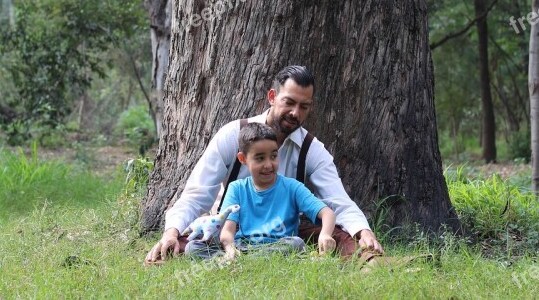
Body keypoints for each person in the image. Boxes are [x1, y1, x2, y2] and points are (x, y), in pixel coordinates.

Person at [145, 65, 384, 264]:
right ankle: (168, 256)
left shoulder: (311, 148)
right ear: (272, 97)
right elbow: (197, 195)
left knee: (341, 236)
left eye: (304, 106)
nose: (295, 113)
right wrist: (171, 231)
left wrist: (362, 230)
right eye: (289, 102)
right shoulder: (233, 135)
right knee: (186, 244)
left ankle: (370, 261)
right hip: (231, 229)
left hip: (283, 233)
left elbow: (336, 200)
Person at [185, 124, 337, 260]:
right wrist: (230, 249)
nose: (268, 165)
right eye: (260, 158)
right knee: (192, 248)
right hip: (242, 248)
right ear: (243, 158)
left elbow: (327, 213)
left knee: (295, 244)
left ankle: (241, 264)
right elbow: (227, 231)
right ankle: (242, 260)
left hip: (279, 246)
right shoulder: (236, 188)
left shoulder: (293, 187)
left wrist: (325, 234)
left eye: (273, 156)